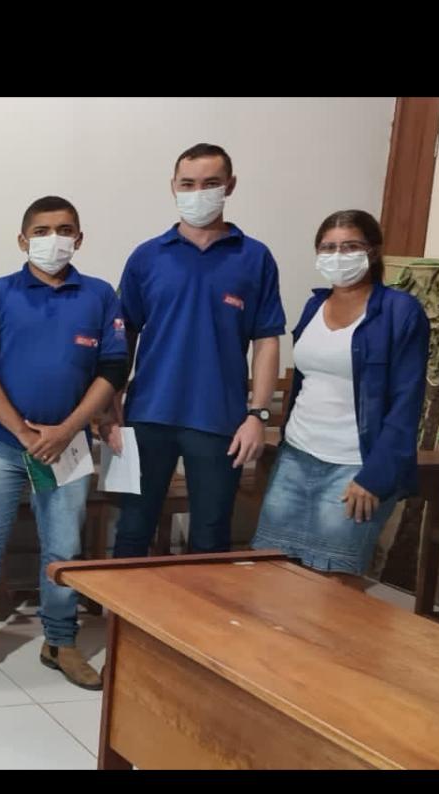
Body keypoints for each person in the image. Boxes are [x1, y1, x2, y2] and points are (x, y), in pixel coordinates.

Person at [0, 196, 127, 691]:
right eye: (42, 231)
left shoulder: (99, 295)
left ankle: (60, 642)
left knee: (64, 550)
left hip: (68, 446)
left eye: (64, 229)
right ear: (23, 240)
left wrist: (66, 430)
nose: (53, 239)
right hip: (3, 443)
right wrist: (24, 432)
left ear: (79, 238)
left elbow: (113, 370)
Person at [107, 143, 285, 557]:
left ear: (230, 186)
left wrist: (257, 415)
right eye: (188, 184)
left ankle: (202, 605)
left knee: (210, 537)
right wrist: (110, 407)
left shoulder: (254, 258)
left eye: (210, 183)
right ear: (173, 186)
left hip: (219, 419)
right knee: (132, 530)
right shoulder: (147, 257)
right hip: (147, 415)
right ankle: (124, 605)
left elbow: (267, 340)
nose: (197, 192)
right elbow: (122, 336)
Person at [252, 210, 429, 576]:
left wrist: (376, 477)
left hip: (355, 467)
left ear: (373, 251)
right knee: (272, 572)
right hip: (297, 457)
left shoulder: (401, 312)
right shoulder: (314, 306)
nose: (338, 256)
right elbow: (306, 382)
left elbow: (406, 403)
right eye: (328, 247)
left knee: (333, 583)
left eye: (350, 246)